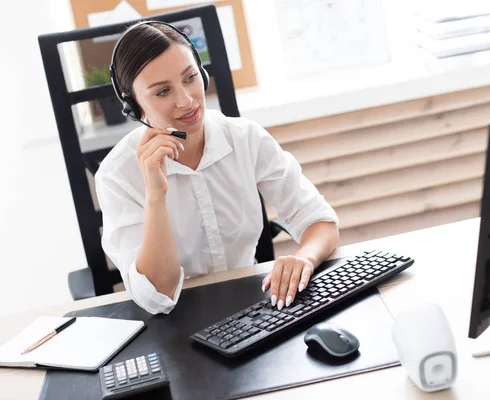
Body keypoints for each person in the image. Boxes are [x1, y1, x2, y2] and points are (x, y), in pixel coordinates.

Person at [95, 21, 339, 315]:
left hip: (253, 309)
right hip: (175, 322)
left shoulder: (244, 138)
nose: (186, 100)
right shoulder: (116, 175)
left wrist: (306, 258)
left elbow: (320, 220)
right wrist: (156, 196)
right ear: (133, 105)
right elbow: (157, 295)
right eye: (162, 92)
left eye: (190, 78)